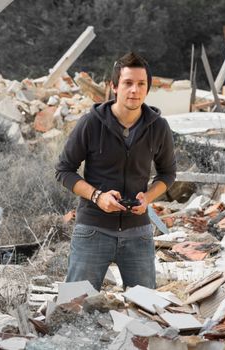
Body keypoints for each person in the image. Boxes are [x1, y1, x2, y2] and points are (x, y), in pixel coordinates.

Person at [55, 52, 176, 291]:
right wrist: (98, 197)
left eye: (141, 84)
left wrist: (147, 198)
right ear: (114, 86)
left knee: (145, 313)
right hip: (92, 229)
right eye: (128, 83)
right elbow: (64, 170)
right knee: (74, 309)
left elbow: (167, 174)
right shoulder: (91, 123)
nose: (134, 90)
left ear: (148, 88)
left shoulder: (159, 127)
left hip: (138, 233)